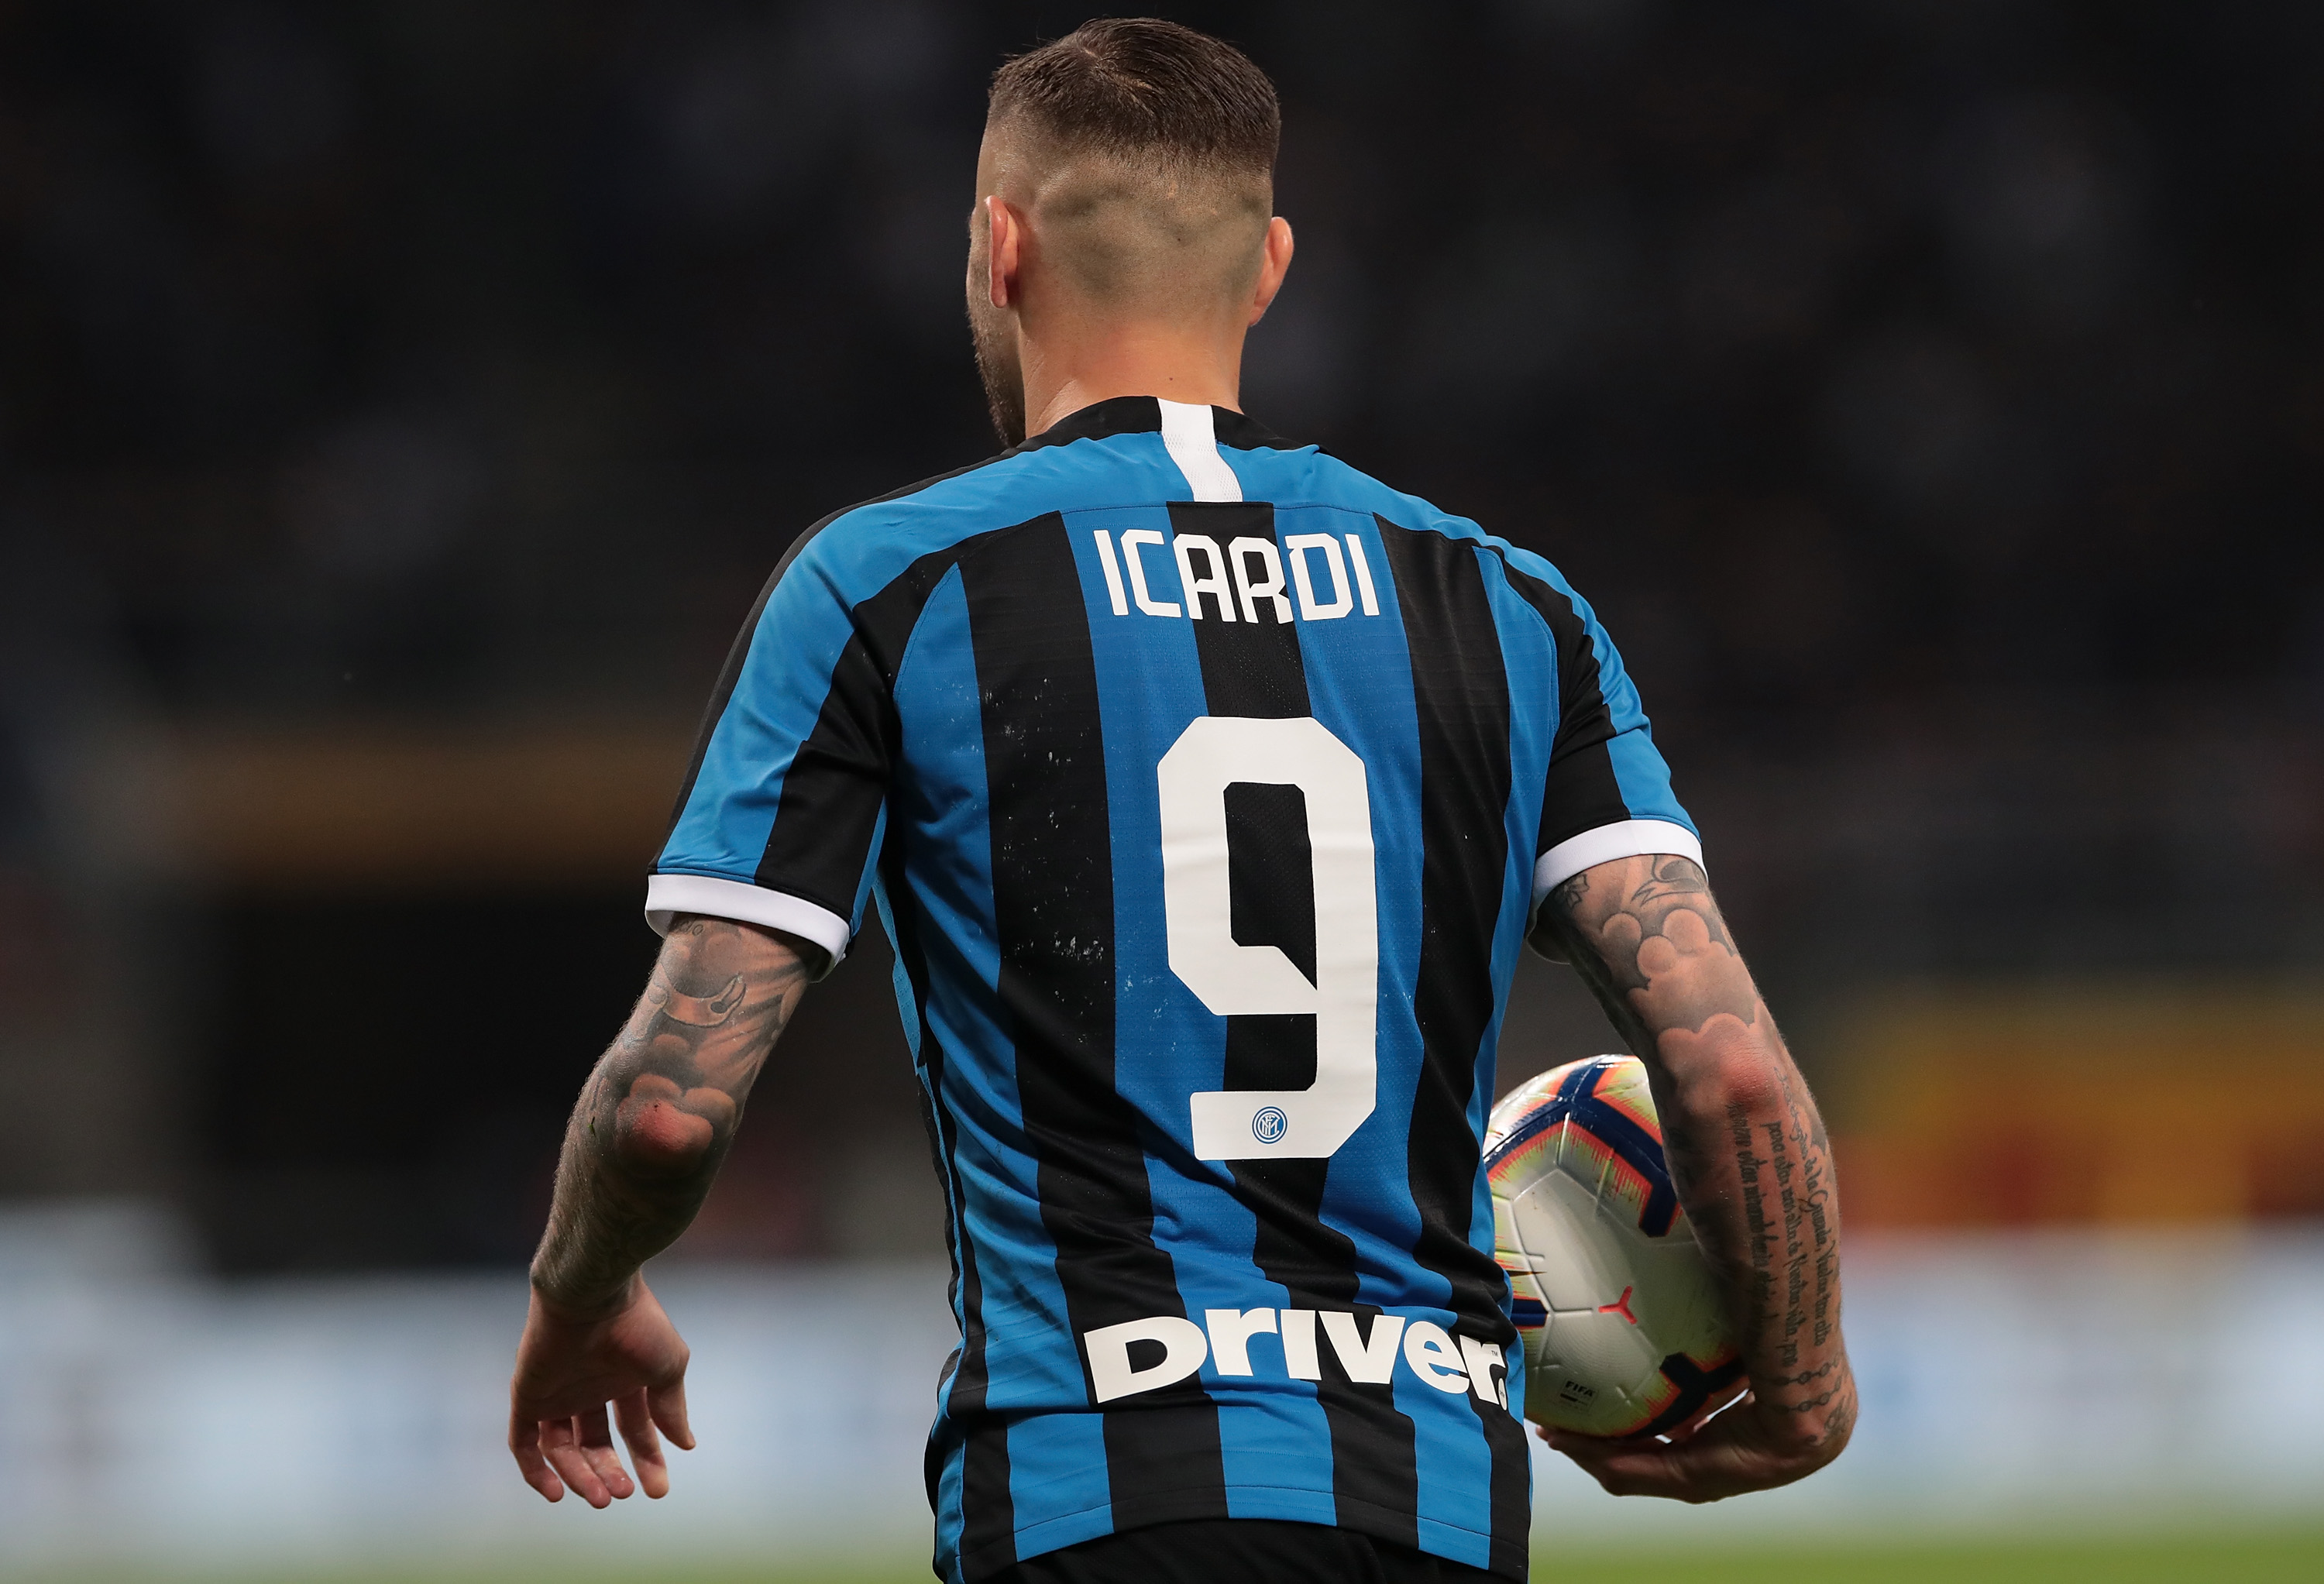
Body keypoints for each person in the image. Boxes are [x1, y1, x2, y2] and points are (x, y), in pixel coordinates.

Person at [507, 17, 1855, 1583]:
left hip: (1092, 1486)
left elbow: (673, 1106)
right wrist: (1808, 1382)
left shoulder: (887, 588)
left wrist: (581, 1289)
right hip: (1428, 1507)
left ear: (998, 250)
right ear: (1269, 267)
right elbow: (1737, 1078)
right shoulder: (1506, 604)